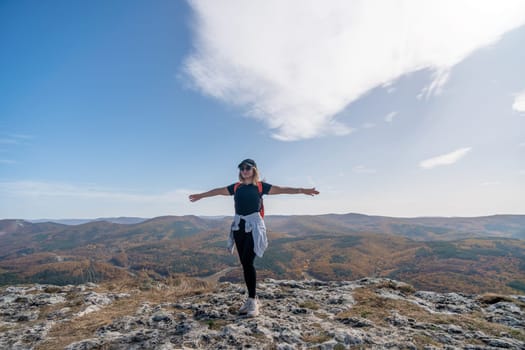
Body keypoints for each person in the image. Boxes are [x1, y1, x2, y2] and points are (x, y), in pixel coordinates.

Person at [189, 158, 319, 317]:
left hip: (254, 226)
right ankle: (253, 298)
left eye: (247, 168)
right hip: (239, 226)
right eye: (242, 168)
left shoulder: (260, 186)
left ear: (254, 170)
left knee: (248, 261)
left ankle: (252, 301)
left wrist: (303, 190)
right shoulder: (236, 187)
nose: (244, 171)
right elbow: (217, 191)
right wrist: (201, 195)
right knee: (244, 263)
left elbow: (282, 189)